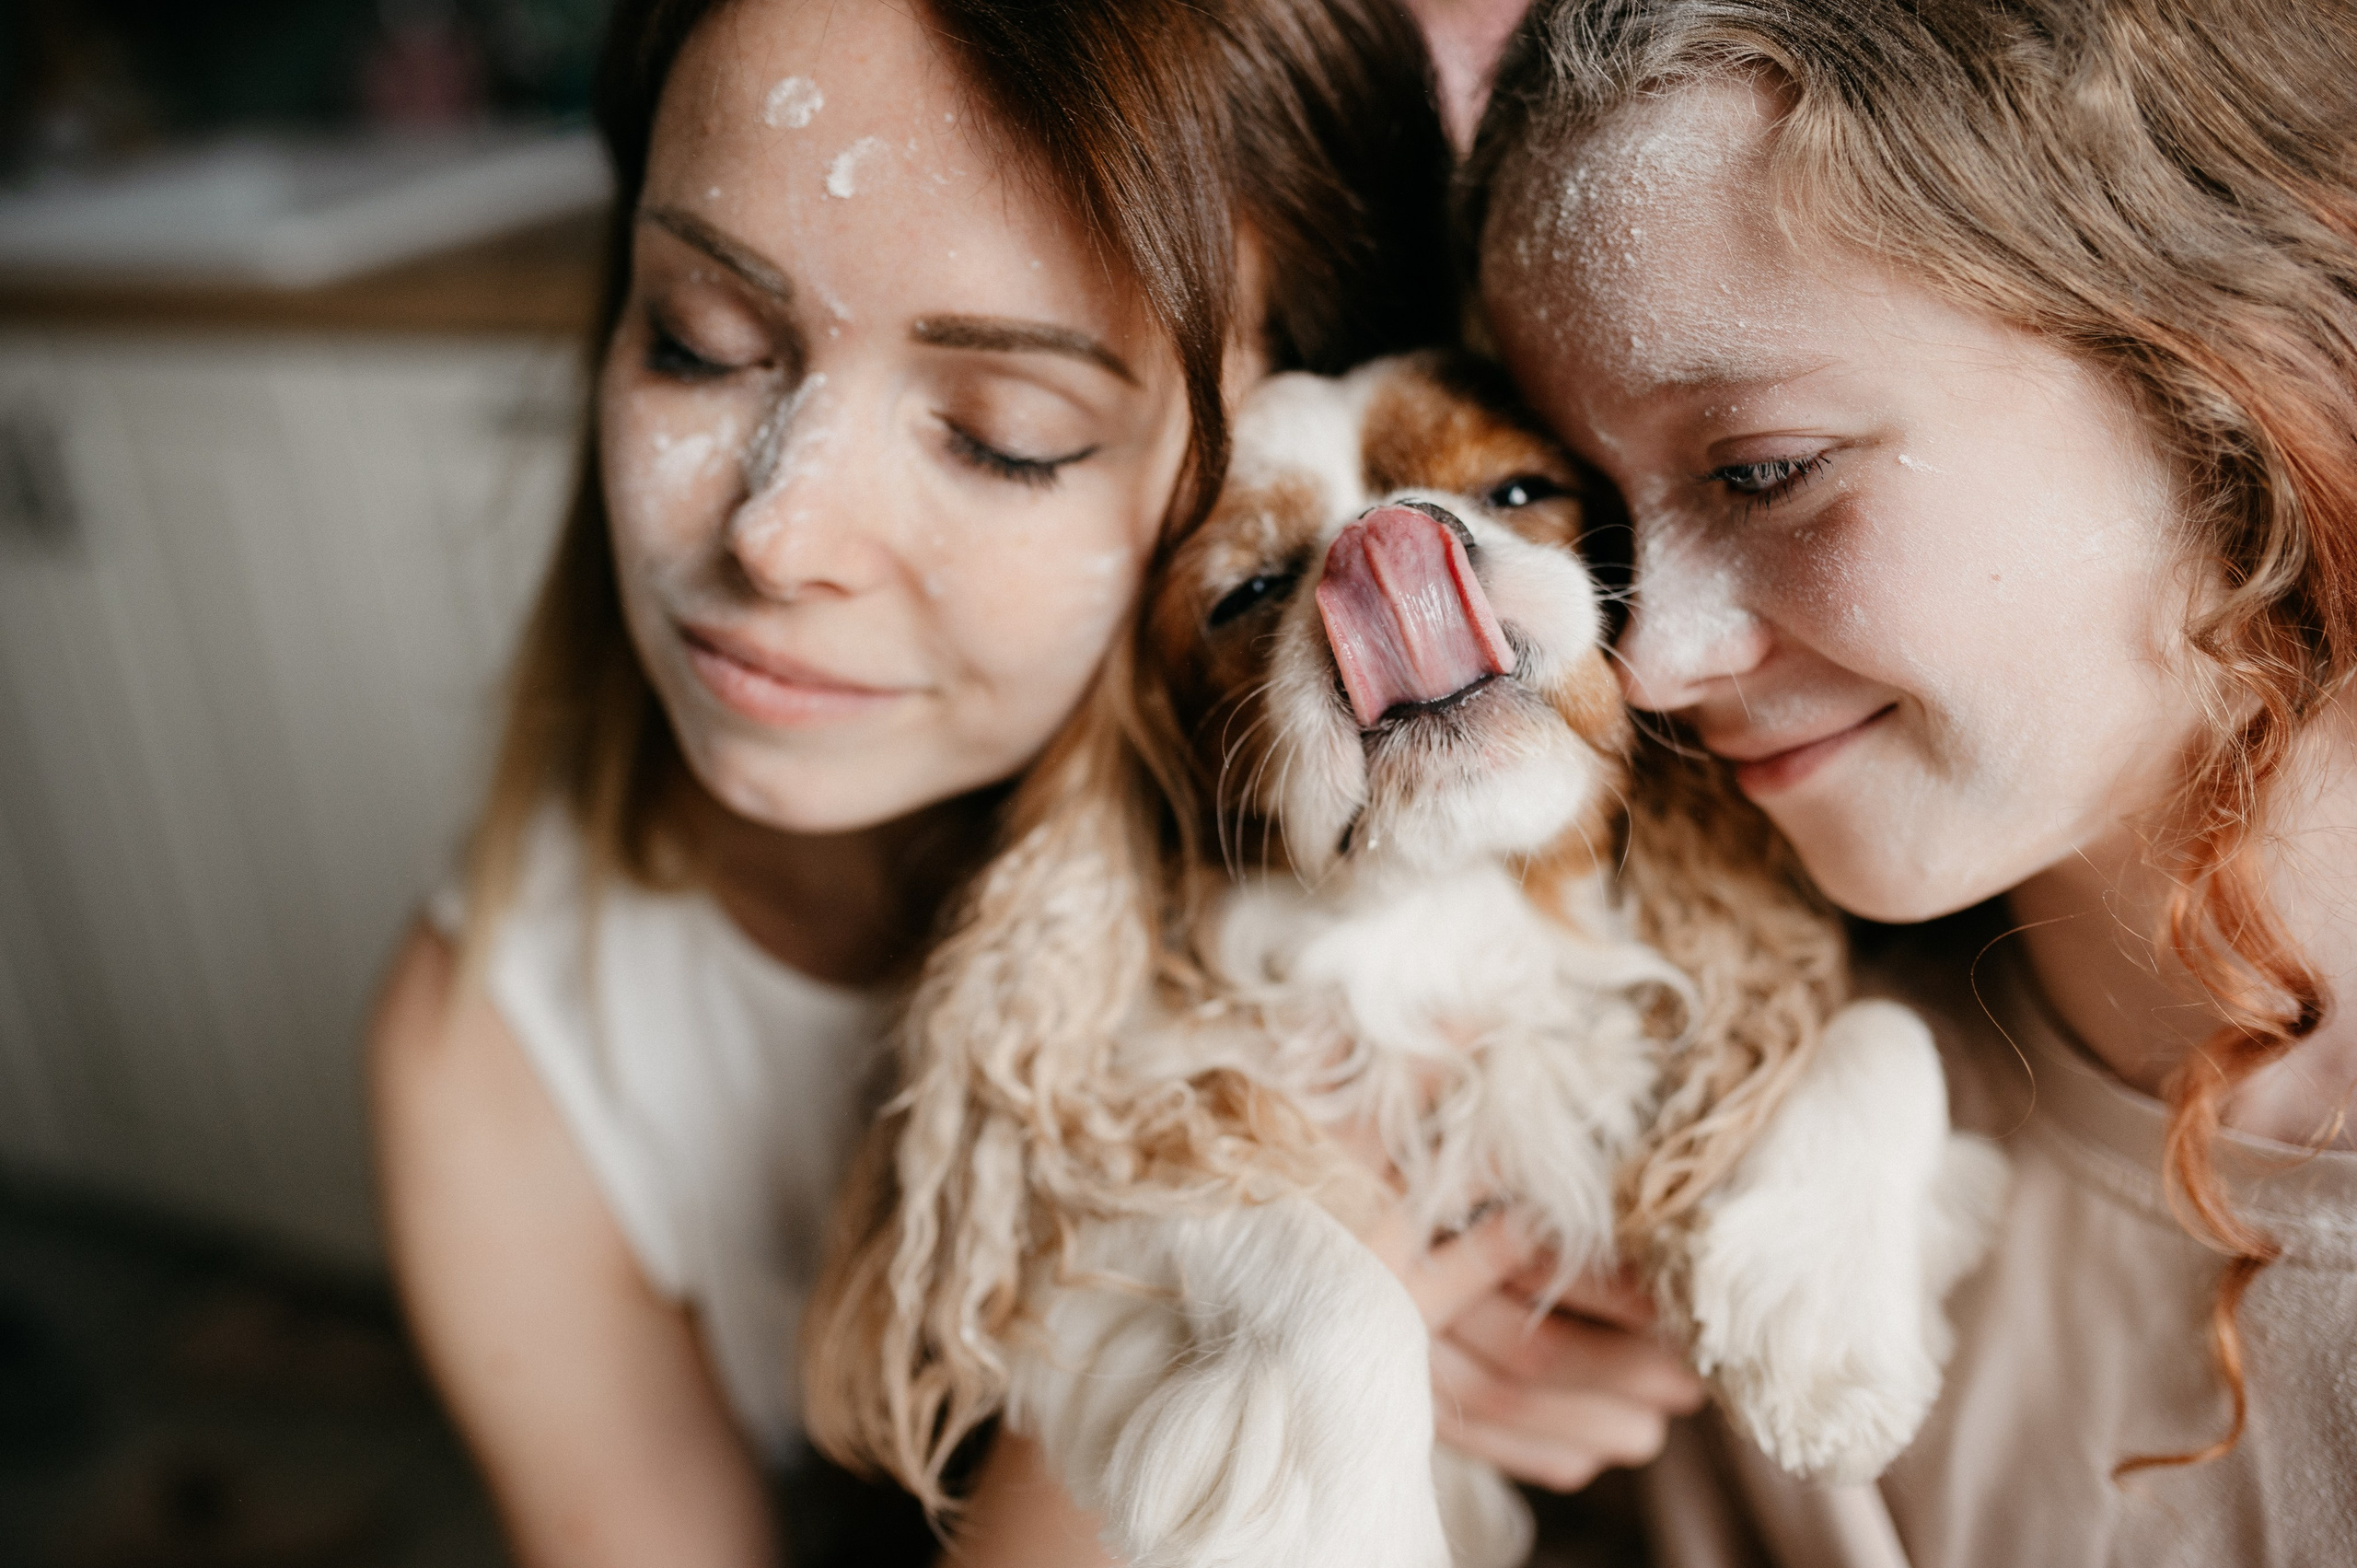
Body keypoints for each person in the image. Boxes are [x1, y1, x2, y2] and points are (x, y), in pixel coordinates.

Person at [368, 0, 1700, 1562]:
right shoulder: (501, 1042)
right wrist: (1208, 1373)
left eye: (1006, 436)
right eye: (699, 338)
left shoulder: (1532, 870)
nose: (776, 536)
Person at [1469, 0, 2357, 1562]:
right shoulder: (1742, 1247)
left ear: (2228, 365)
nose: (1653, 658)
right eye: (1592, 519)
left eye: (1761, 472)